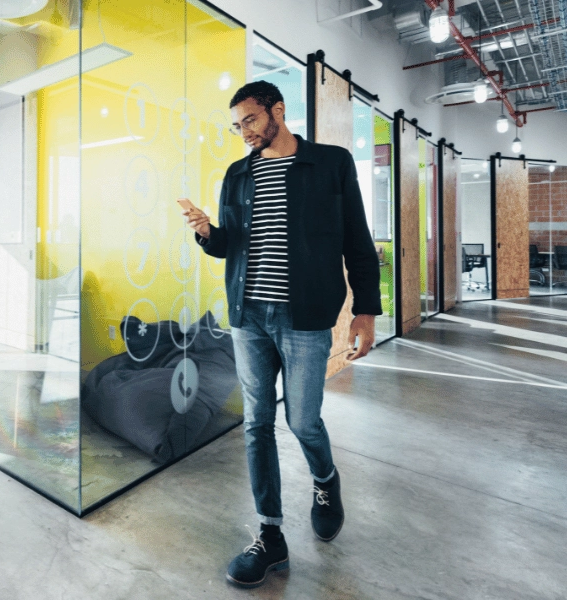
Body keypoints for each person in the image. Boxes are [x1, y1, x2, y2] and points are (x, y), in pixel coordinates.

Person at [181, 80, 381, 589]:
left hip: (306, 317)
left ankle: (325, 480)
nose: (243, 132)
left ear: (277, 111)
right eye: (236, 125)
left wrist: (366, 311)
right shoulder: (237, 174)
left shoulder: (331, 164)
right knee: (256, 423)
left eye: (249, 120)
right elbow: (233, 245)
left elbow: (357, 240)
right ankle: (270, 536)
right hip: (249, 318)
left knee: (304, 420)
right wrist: (208, 233)